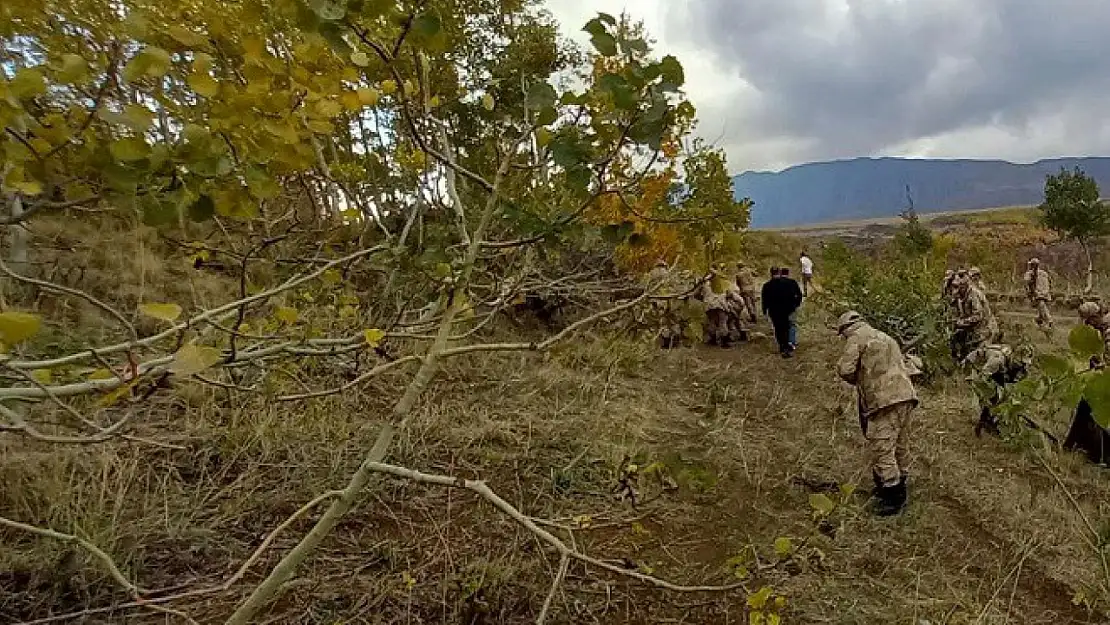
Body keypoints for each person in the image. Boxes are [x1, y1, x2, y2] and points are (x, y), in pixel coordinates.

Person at [836, 311, 919, 517]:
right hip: (906, 395)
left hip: (884, 400)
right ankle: (902, 480)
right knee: (901, 442)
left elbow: (845, 369)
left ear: (846, 329)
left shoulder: (857, 338)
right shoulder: (885, 336)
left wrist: (862, 379)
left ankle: (892, 495)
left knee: (882, 447)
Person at [964, 343, 1030, 437]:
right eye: (1020, 363)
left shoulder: (1013, 360)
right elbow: (982, 378)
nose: (1021, 365)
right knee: (989, 397)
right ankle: (983, 422)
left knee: (1000, 395)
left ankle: (989, 420)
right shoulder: (997, 360)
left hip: (995, 370)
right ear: (1014, 357)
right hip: (979, 368)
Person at [952, 271, 998, 361]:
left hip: (985, 331)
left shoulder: (974, 295)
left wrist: (962, 322)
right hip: (974, 331)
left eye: (958, 287)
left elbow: (978, 316)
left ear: (964, 286)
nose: (956, 290)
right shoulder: (961, 297)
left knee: (979, 358)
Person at [762, 266, 803, 358]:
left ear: (771, 273)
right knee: (786, 328)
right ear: (779, 272)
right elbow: (794, 296)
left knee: (778, 329)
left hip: (774, 311)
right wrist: (794, 305)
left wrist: (765, 310)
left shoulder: (767, 285)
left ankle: (782, 346)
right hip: (786, 310)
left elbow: (765, 299)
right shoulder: (787, 283)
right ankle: (786, 347)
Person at [1024, 258, 1053, 329]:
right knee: (1042, 308)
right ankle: (1041, 321)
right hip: (1045, 293)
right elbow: (1050, 282)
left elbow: (1027, 284)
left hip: (1038, 294)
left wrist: (1030, 293)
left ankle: (1048, 321)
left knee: (1041, 306)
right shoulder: (1044, 273)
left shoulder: (1029, 274)